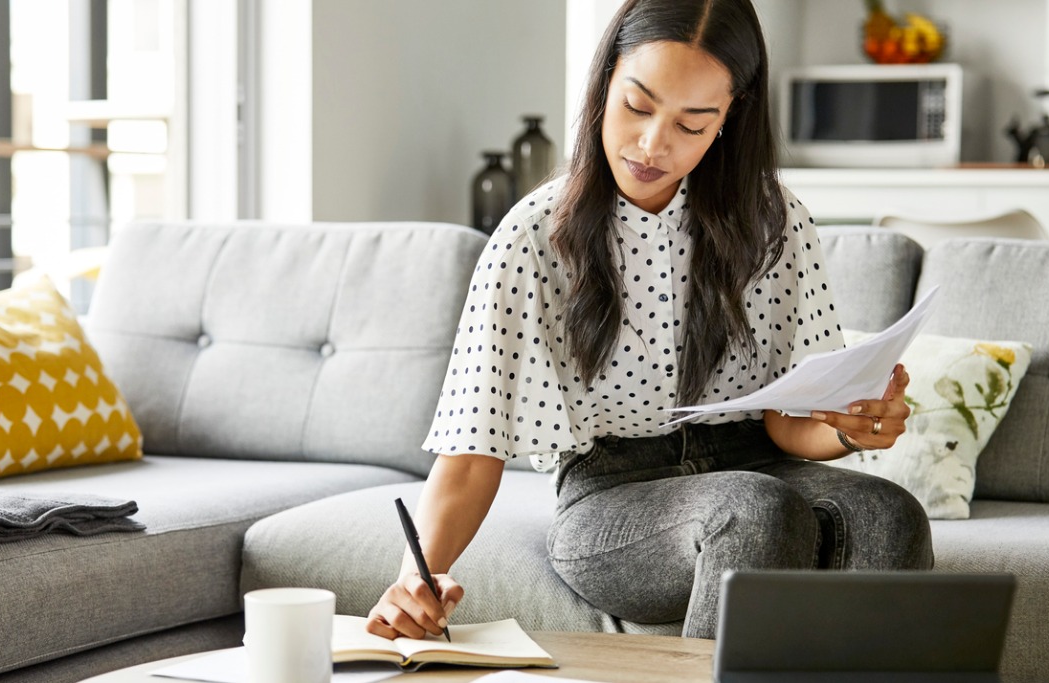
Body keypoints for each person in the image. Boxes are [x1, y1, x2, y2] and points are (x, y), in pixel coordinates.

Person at [366, 0, 933, 642]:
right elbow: (471, 452)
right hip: (612, 491)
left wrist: (851, 428)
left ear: (729, 119)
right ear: (605, 81)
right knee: (752, 511)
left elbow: (790, 423)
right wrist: (416, 577)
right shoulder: (531, 237)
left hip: (757, 462)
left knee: (891, 513)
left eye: (693, 124)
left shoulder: (775, 221)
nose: (652, 144)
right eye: (638, 106)